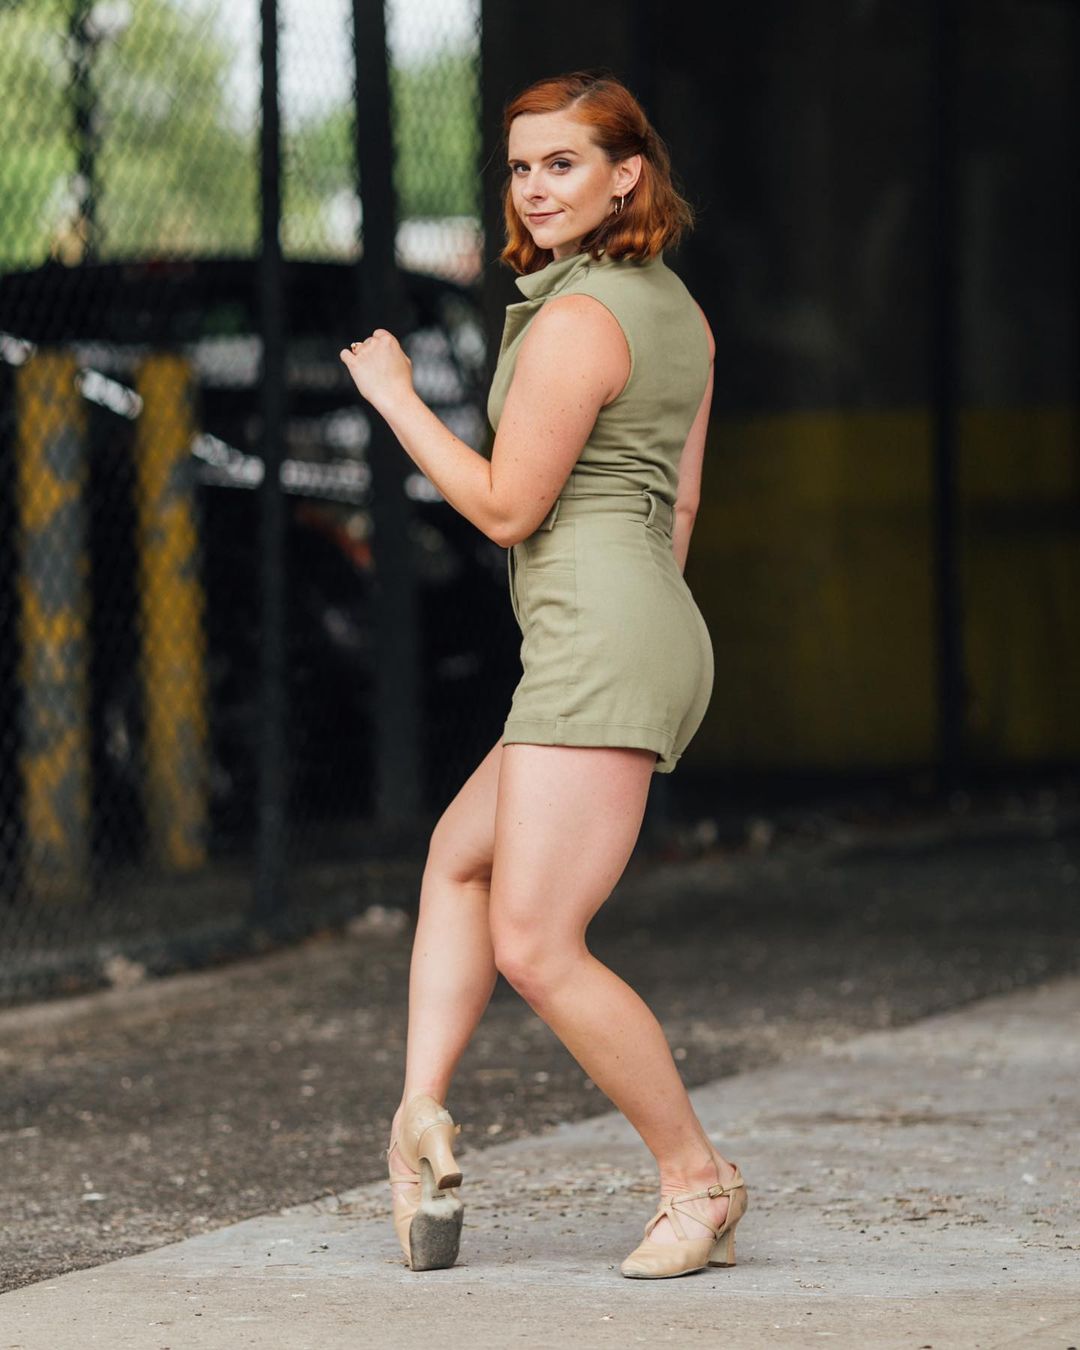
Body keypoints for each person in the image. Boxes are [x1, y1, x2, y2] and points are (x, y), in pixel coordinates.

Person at [339, 68, 748, 1280]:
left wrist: (398, 400)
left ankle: (699, 1181)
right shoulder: (679, 316)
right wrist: (631, 622)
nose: (534, 187)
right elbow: (679, 503)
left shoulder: (577, 322)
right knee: (458, 860)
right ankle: (417, 1117)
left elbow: (509, 508)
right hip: (637, 619)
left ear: (628, 175)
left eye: (563, 163)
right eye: (520, 167)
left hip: (598, 639)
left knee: (537, 940)